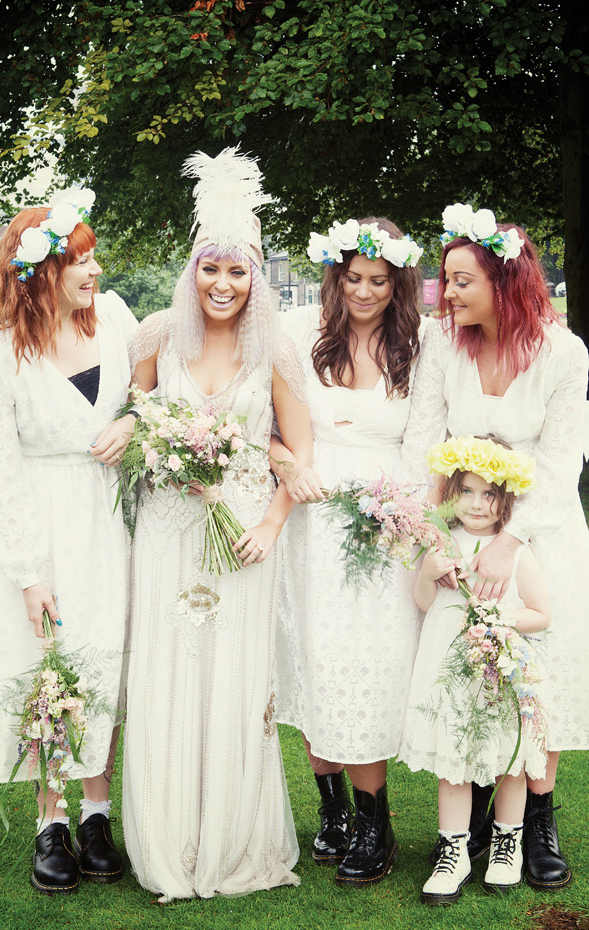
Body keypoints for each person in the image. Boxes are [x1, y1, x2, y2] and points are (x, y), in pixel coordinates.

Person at [121, 148, 312, 902]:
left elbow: (299, 456)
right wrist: (160, 448)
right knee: (168, 677)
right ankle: (170, 843)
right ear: (192, 269)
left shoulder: (276, 348)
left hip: (241, 539)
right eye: (210, 269)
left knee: (232, 684)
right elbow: (132, 429)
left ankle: (234, 842)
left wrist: (269, 521)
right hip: (166, 528)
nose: (222, 285)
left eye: (237, 272)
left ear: (256, 278)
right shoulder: (156, 337)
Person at [401, 202, 589, 890]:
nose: (445, 294)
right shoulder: (441, 344)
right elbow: (423, 443)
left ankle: (535, 822)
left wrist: (511, 543)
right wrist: (431, 538)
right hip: (462, 526)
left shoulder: (564, 353)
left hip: (542, 532)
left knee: (541, 676)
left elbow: (564, 460)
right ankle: (472, 821)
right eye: (446, 281)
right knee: (466, 674)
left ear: (504, 280)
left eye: (459, 281)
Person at [0, 191, 138, 894]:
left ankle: (98, 815)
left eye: (95, 257)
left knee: (108, 660)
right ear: (42, 272)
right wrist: (29, 571)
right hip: (44, 530)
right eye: (82, 259)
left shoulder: (119, 322)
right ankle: (52, 820)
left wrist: (133, 421)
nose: (95, 270)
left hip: (114, 525)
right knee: (52, 673)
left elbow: (151, 394)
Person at [270, 217, 426, 887]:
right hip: (313, 518)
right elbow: (269, 427)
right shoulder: (300, 333)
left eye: (379, 282)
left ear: (398, 284)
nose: (364, 292)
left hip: (386, 521)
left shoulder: (418, 346)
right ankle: (331, 810)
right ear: (335, 276)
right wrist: (284, 463)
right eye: (354, 279)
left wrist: (407, 510)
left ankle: (375, 819)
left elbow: (427, 440)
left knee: (369, 663)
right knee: (314, 657)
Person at [398, 435, 551, 903]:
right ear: (451, 494)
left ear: (505, 500)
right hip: (450, 672)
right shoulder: (440, 543)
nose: (478, 504)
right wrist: (427, 572)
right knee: (454, 767)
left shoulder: (517, 553)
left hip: (500, 673)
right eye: (467, 491)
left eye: (489, 494)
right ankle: (455, 850)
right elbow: (426, 604)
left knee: (511, 763)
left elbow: (541, 614)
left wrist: (498, 619)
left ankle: (508, 843)